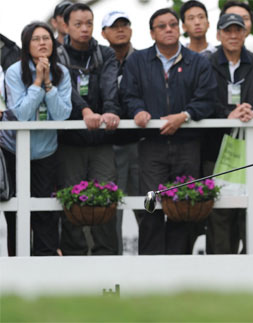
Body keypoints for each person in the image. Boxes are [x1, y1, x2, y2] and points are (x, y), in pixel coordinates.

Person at [121, 8, 217, 255]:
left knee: (183, 207)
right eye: (161, 26)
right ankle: (150, 270)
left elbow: (207, 99)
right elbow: (128, 96)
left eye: (173, 24)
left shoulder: (198, 62)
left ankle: (180, 269)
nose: (168, 29)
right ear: (152, 33)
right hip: (151, 144)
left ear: (180, 28)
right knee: (151, 207)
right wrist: (138, 111)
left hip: (188, 144)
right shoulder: (137, 61)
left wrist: (185, 116)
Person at [205, 13, 253, 254]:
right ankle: (221, 275)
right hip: (216, 150)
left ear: (245, 33)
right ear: (218, 35)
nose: (233, 35)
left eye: (238, 30)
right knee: (220, 211)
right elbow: (202, 100)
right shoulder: (207, 63)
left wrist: (252, 111)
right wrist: (229, 113)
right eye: (227, 31)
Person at [0, 22, 72, 256]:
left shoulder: (62, 71)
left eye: (47, 38)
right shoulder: (13, 72)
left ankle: (46, 263)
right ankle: (18, 265)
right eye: (36, 39)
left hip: (46, 152)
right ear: (26, 45)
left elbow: (62, 115)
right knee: (16, 214)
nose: (43, 43)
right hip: (14, 151)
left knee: (46, 213)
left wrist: (49, 84)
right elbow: (19, 114)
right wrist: (38, 83)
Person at [56, 3, 122, 256]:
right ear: (65, 25)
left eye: (89, 24)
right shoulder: (57, 55)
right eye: (78, 24)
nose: (84, 29)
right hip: (69, 141)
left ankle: (107, 258)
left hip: (101, 140)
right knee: (71, 202)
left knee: (106, 199)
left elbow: (109, 87)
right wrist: (85, 110)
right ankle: (74, 259)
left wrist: (110, 111)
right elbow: (65, 90)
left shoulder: (105, 53)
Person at [101, 10, 138, 254]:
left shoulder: (143, 59)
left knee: (146, 204)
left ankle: (151, 269)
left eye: (124, 25)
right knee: (107, 210)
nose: (120, 29)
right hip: (104, 144)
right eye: (114, 26)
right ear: (104, 33)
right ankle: (110, 265)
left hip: (138, 143)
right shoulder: (98, 59)